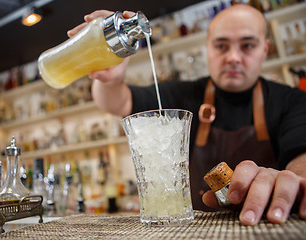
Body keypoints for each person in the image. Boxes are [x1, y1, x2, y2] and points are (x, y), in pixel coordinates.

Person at [67, 5, 306, 226]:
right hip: (188, 231)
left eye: (247, 45)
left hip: (263, 225)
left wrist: (291, 180)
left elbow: (302, 158)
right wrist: (111, 77)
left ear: (265, 49)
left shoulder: (292, 100)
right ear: (208, 49)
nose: (233, 57)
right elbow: (117, 101)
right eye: (221, 45)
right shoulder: (184, 94)